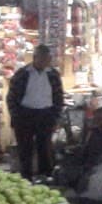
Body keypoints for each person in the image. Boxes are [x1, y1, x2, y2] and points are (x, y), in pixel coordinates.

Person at [8, 45, 65, 181]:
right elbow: (12, 97)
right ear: (35, 58)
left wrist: (56, 115)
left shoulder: (52, 74)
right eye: (43, 59)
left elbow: (58, 96)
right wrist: (15, 115)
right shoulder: (23, 74)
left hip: (46, 114)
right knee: (25, 147)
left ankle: (45, 175)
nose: (46, 62)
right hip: (25, 115)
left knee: (45, 146)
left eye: (48, 59)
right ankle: (26, 176)